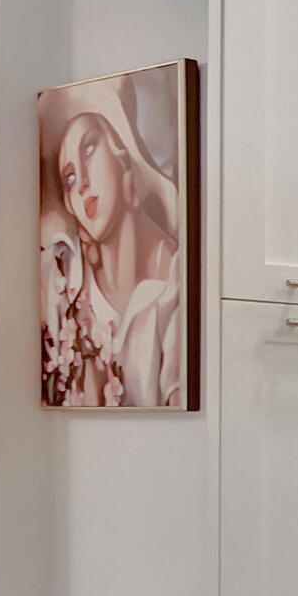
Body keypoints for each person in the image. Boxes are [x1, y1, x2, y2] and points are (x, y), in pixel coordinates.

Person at [39, 82, 187, 408]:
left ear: (123, 152)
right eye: (69, 177)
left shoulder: (176, 284)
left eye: (89, 148)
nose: (82, 185)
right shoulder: (60, 275)